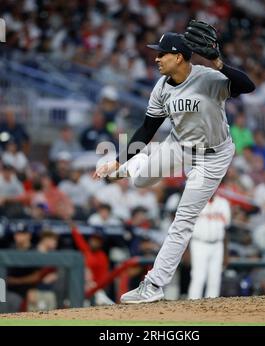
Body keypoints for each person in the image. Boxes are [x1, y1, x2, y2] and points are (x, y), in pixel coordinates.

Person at [93, 21, 255, 304]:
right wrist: (119, 159)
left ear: (178, 56)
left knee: (183, 221)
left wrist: (218, 61)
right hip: (179, 146)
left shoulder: (208, 78)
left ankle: (154, 285)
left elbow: (248, 86)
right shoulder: (161, 88)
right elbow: (147, 129)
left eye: (162, 53)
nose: (156, 58)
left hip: (212, 158)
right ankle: (130, 166)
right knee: (140, 179)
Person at [188, 194, 231, 299]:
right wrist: (186, 250)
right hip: (199, 243)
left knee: (215, 279)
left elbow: (225, 229)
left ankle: (212, 311)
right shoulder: (195, 201)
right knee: (198, 278)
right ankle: (192, 307)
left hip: (218, 244)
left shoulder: (223, 203)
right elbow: (187, 227)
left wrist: (226, 253)